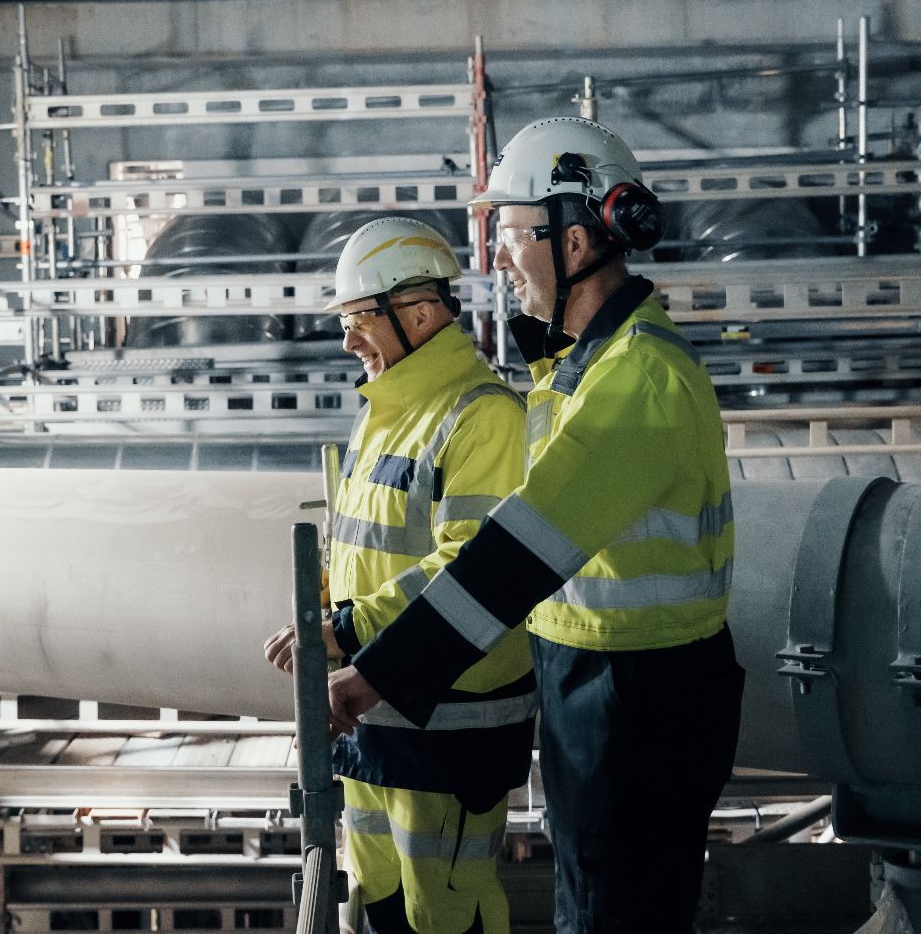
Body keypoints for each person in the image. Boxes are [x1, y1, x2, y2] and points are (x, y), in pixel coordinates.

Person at [326, 119, 745, 934]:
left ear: (579, 237)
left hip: (640, 702)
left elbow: (514, 557)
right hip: (596, 687)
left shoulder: (638, 379)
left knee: (612, 917)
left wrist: (378, 671)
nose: (498, 259)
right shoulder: (579, 370)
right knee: (590, 904)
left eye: (513, 234)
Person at [263, 216, 536, 934]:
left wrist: (346, 628)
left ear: (417, 313)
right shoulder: (384, 414)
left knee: (444, 915)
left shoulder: (483, 418)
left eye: (359, 320)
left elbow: (472, 568)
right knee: (374, 906)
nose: (348, 339)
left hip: (450, 731)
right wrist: (325, 613)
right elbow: (363, 546)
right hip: (373, 718)